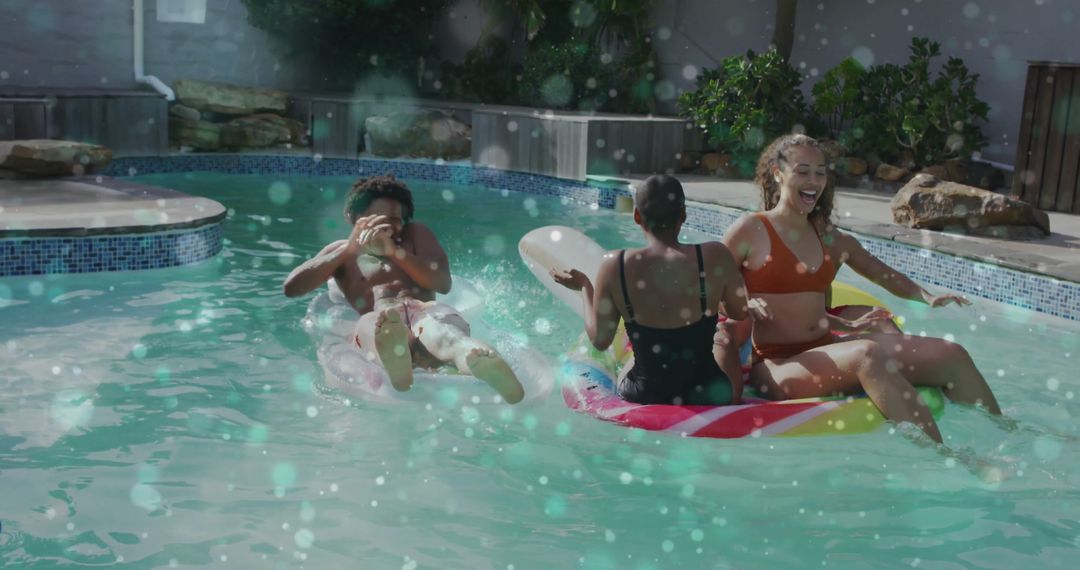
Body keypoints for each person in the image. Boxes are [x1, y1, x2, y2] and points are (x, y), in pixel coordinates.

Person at [720, 133, 1002, 443]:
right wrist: (742, 302)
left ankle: (1004, 435)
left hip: (827, 349)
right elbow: (710, 282)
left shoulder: (830, 238)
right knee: (866, 353)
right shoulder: (752, 229)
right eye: (802, 171)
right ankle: (947, 456)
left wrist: (927, 297)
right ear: (778, 173)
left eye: (820, 171)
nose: (813, 180)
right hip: (778, 365)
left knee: (952, 354)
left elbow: (881, 273)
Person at [283, 175, 525, 404]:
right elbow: (292, 288)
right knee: (374, 327)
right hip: (380, 316)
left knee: (445, 334)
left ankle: (473, 358)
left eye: (395, 219)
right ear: (354, 217)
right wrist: (348, 249)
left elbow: (441, 283)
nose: (388, 224)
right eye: (377, 216)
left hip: (425, 309)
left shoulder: (414, 235)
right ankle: (396, 360)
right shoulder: (342, 253)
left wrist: (393, 252)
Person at [551, 174, 764, 406]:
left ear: (636, 216)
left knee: (635, 358)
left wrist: (584, 287)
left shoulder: (615, 264)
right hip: (705, 392)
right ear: (683, 215)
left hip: (644, 393)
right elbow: (738, 312)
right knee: (722, 341)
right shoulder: (714, 255)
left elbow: (600, 340)